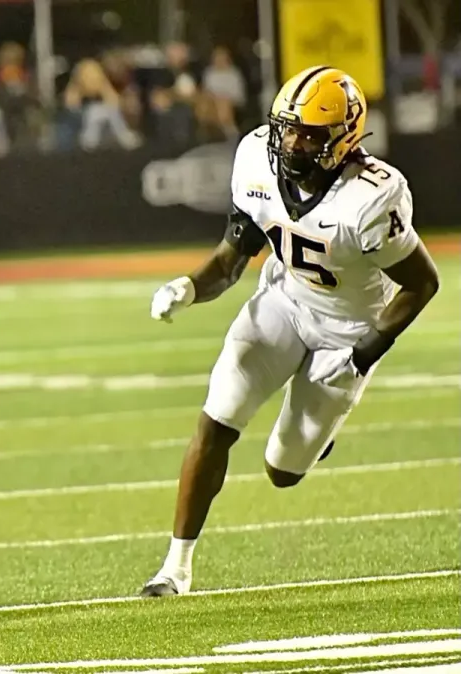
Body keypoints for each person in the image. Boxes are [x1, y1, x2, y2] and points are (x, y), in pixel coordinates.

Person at [141, 66, 440, 596]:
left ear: (344, 140)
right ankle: (175, 569)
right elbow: (233, 258)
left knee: (282, 471)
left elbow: (422, 284)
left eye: (309, 134)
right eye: (287, 128)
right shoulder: (256, 156)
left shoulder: (372, 197)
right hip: (283, 301)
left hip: (347, 332)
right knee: (217, 419)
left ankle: (314, 437)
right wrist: (188, 288)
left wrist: (365, 354)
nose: (293, 143)